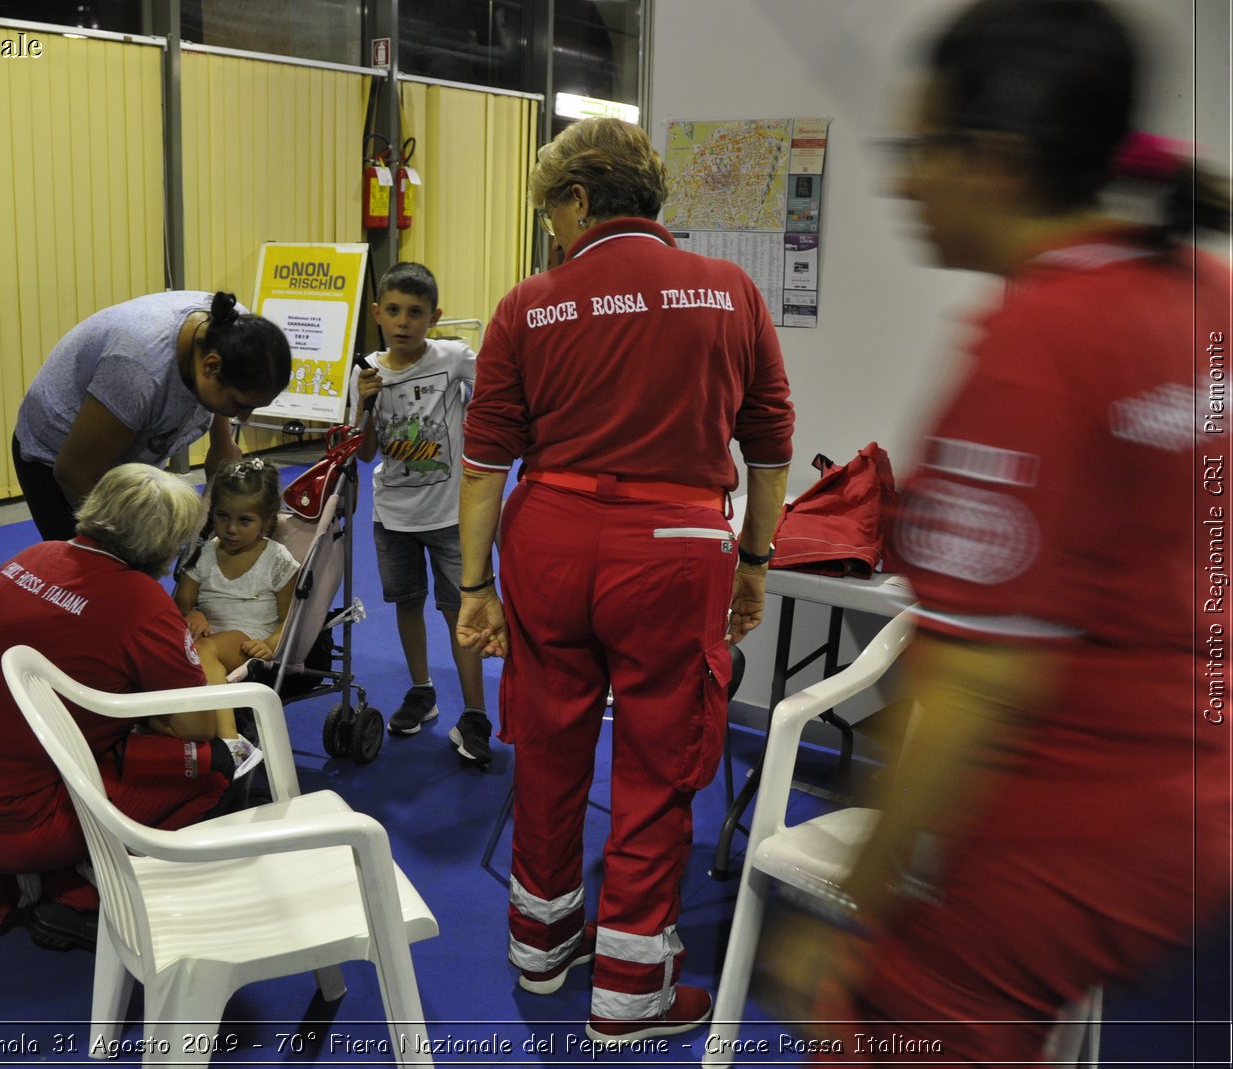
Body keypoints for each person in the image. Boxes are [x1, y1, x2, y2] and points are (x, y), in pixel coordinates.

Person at [762, 1, 1231, 1062]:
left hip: (1081, 811)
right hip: (1191, 795)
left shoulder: (1038, 342)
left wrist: (860, 905)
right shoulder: (1199, 289)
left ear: (999, 162)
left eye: (921, 149)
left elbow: (974, 687)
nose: (901, 181)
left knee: (883, 1028)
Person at [455, 117, 795, 1044]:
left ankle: (540, 942)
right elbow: (769, 442)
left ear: (576, 201)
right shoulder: (731, 291)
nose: (550, 234)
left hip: (551, 540)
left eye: (549, 213)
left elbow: (486, 462)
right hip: (675, 548)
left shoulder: (528, 304)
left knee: (552, 743)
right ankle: (630, 992)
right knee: (658, 758)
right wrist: (757, 563)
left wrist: (474, 585)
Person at [0, 465, 254, 979]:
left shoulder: (32, 557)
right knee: (219, 765)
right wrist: (205, 664)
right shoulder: (143, 603)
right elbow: (196, 728)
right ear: (169, 546)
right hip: (13, 822)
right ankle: (82, 897)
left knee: (80, 750)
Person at [349, 262, 491, 765]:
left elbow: (496, 395)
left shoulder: (454, 358)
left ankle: (475, 713)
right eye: (393, 311)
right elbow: (365, 454)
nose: (404, 322)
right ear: (377, 314)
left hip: (452, 515)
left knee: (461, 612)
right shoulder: (366, 370)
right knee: (407, 603)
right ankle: (422, 690)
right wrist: (364, 406)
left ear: (435, 316)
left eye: (415, 312)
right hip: (392, 516)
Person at [12, 290, 293, 540]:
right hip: (58, 458)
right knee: (101, 572)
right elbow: (74, 473)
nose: (244, 417)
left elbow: (224, 409)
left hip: (123, 441)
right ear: (211, 367)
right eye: (239, 404)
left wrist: (222, 445)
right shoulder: (138, 371)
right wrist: (124, 548)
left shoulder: (235, 330)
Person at [174, 457, 300, 689]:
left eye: (244, 521)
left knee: (201, 650)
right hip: (201, 636)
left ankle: (223, 726)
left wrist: (270, 645)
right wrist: (193, 613)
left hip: (246, 642)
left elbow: (290, 619)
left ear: (266, 520)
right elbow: (181, 604)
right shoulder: (204, 553)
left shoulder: (277, 560)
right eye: (223, 516)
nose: (231, 529)